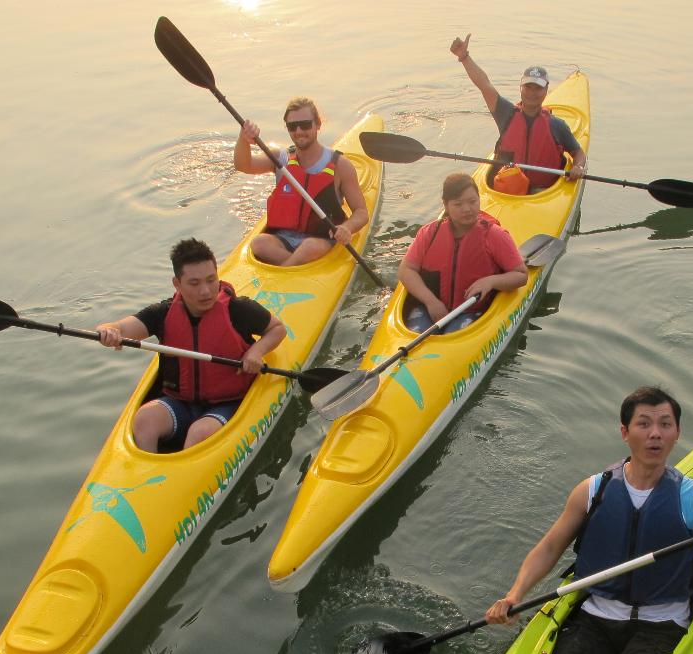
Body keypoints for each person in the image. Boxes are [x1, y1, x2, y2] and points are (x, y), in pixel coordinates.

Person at [485, 386, 693, 654]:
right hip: (596, 616)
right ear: (624, 432)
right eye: (644, 424)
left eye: (665, 424)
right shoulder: (593, 490)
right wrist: (515, 595)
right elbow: (548, 548)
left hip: (662, 623)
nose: (655, 434)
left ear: (677, 434)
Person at [95, 237, 286, 452]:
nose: (205, 291)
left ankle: (181, 479)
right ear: (177, 284)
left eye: (211, 280)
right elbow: (121, 327)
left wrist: (255, 351)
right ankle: (147, 476)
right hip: (180, 403)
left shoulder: (238, 310)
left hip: (228, 403)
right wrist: (109, 330)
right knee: (144, 419)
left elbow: (277, 329)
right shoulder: (163, 313)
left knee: (199, 432)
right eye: (194, 283)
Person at [234, 97, 370, 266]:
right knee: (259, 243)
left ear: (318, 124)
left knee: (308, 247)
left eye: (305, 124)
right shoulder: (279, 158)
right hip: (283, 239)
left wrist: (347, 228)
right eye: (292, 126)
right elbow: (243, 165)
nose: (299, 131)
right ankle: (294, 266)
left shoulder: (340, 165)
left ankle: (284, 272)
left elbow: (361, 212)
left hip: (321, 240)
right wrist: (244, 138)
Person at [449, 34, 588, 194]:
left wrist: (578, 167)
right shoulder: (505, 114)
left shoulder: (556, 125)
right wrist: (464, 57)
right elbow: (484, 85)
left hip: (542, 192)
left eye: (538, 88)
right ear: (520, 88)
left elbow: (578, 153)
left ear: (546, 91)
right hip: (505, 188)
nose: (532, 93)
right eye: (528, 87)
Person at [398, 172, 528, 333]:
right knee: (417, 334)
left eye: (473, 201)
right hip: (430, 307)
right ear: (445, 205)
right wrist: (431, 301)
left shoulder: (495, 235)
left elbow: (521, 275)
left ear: (479, 200)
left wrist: (491, 281)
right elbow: (406, 270)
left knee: (453, 334)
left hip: (472, 311)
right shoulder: (429, 233)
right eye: (458, 204)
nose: (467, 209)